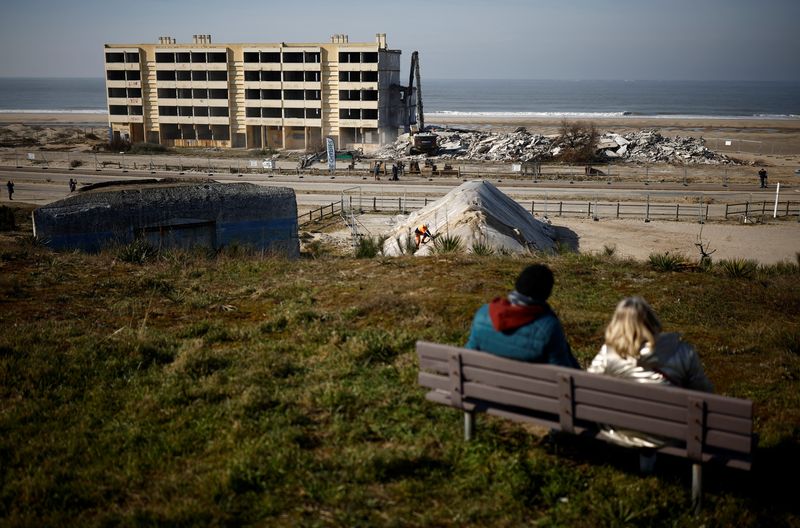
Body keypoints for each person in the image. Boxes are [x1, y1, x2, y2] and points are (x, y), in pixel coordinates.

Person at [588, 296, 713, 451]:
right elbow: (705, 394)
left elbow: (588, 388)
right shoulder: (683, 351)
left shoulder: (608, 354)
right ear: (651, 319)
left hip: (620, 429)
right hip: (672, 433)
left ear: (617, 323)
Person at [465, 264, 579, 368]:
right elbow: (564, 373)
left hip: (484, 389)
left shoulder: (484, 314)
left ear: (518, 284)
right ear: (546, 293)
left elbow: (468, 356)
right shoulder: (548, 328)